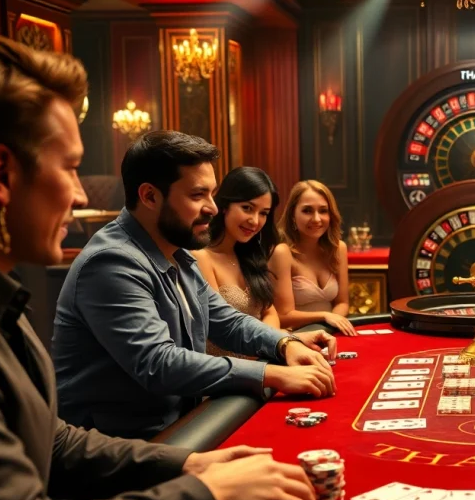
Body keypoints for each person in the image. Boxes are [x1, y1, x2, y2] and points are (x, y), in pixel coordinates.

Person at [0, 34, 320, 500]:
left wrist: (187, 464)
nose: (82, 193)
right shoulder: (109, 261)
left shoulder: (2, 305)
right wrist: (201, 496)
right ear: (2, 174)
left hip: (156, 445)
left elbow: (56, 440)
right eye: (68, 167)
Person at [52, 131, 337, 439]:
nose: (213, 208)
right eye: (197, 195)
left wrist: (284, 343)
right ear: (149, 196)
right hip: (122, 449)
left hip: (180, 426)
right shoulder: (112, 262)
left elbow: (224, 320)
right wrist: (269, 373)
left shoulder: (177, 251)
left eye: (212, 194)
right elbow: (158, 364)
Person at [194, 166, 281, 357]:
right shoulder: (201, 257)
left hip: (262, 366)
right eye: (247, 208)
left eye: (264, 213)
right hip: (225, 375)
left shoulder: (250, 256)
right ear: (224, 206)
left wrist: (272, 345)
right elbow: (220, 325)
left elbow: (270, 312)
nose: (255, 221)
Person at [270, 180, 356, 336]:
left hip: (330, 334)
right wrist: (325, 316)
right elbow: (283, 316)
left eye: (323, 211)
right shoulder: (282, 253)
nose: (316, 219)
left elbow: (342, 303)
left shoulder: (338, 248)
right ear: (292, 216)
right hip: (297, 338)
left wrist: (331, 324)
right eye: (307, 211)